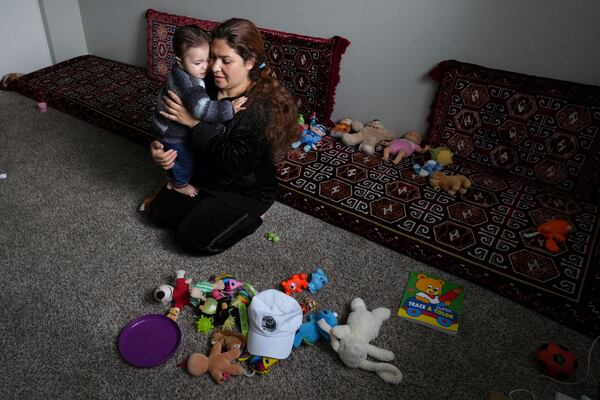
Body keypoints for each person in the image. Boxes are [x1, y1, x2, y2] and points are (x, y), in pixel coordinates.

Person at [148, 18, 299, 255]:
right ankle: (203, 203)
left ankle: (254, 216)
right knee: (158, 215)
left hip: (242, 186)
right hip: (205, 173)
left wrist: (193, 123)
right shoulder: (200, 83)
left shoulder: (259, 108)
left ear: (249, 62)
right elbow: (165, 119)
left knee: (191, 239)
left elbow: (236, 162)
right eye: (212, 57)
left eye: (225, 61)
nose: (214, 67)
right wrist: (159, 148)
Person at [151, 25, 247, 197]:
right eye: (198, 63)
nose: (207, 67)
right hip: (172, 132)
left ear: (249, 62)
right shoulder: (192, 84)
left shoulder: (179, 72)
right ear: (179, 61)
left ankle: (172, 179)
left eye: (207, 59)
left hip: (164, 127)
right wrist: (229, 109)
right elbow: (203, 109)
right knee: (185, 161)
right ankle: (180, 183)